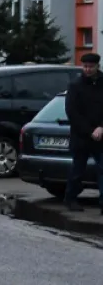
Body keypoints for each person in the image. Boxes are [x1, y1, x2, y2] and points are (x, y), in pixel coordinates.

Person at [63, 53, 103, 213]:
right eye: (85, 66)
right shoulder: (75, 85)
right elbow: (72, 112)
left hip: (101, 136)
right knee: (77, 170)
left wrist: (101, 127)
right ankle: (70, 199)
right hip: (81, 136)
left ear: (97, 66)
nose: (87, 69)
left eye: (91, 67)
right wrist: (89, 130)